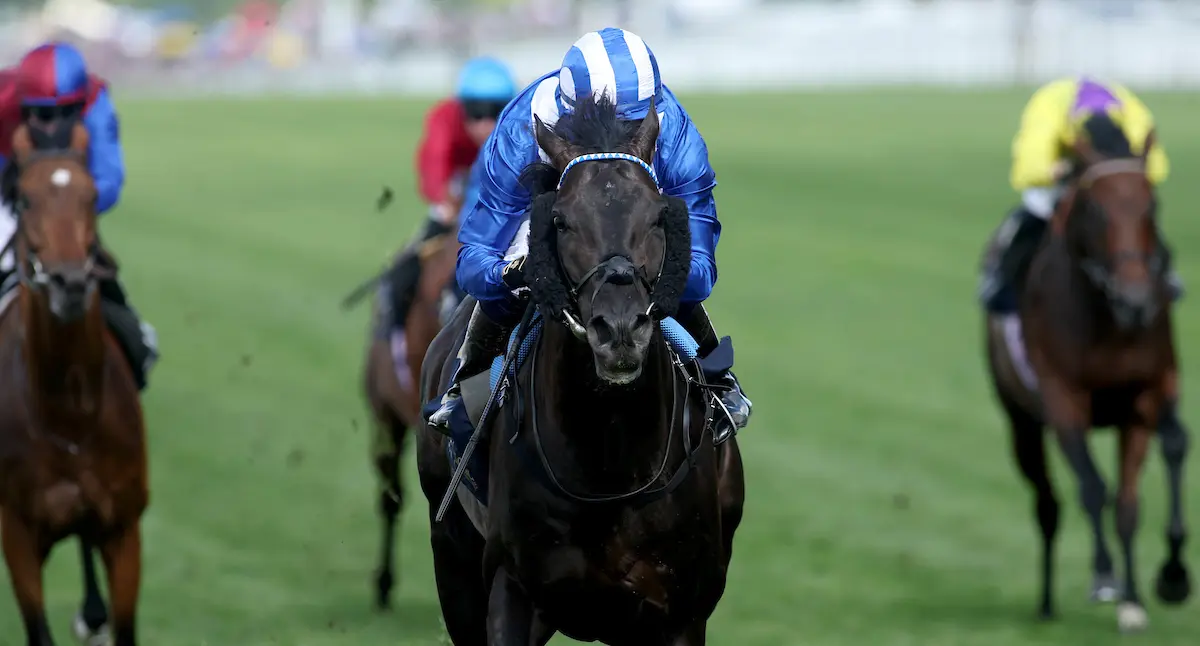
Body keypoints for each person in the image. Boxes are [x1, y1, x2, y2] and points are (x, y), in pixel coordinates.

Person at [425, 27, 752, 439]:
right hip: (551, 208)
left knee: (659, 262)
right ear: (566, 116)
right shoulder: (520, 131)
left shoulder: (676, 136)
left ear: (652, 116)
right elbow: (474, 261)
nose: (618, 145)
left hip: (638, 207)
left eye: (632, 129)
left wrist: (665, 269)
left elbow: (700, 272)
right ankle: (467, 388)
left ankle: (717, 381)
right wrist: (515, 273)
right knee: (505, 291)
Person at [0, 42, 158, 390]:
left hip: (68, 196)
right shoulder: (3, 105)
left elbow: (109, 180)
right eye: (42, 115)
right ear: (23, 108)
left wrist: (64, 209)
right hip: (8, 186)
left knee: (82, 254)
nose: (54, 127)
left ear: (80, 104)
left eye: (67, 113)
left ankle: (132, 333)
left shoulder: (97, 104)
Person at [979, 76, 1182, 314]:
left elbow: (1155, 168)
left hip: (1109, 183)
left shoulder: (1131, 114)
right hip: (1062, 181)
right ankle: (1000, 278)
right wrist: (1058, 170)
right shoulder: (1050, 108)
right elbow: (1028, 168)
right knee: (1032, 215)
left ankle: (1164, 274)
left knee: (1134, 219)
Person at [381, 56, 516, 332]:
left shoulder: (519, 124)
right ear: (460, 108)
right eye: (475, 113)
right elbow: (434, 164)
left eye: (495, 111)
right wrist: (443, 199)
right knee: (403, 270)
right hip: (454, 199)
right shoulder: (443, 118)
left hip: (496, 203)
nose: (485, 124)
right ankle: (394, 332)